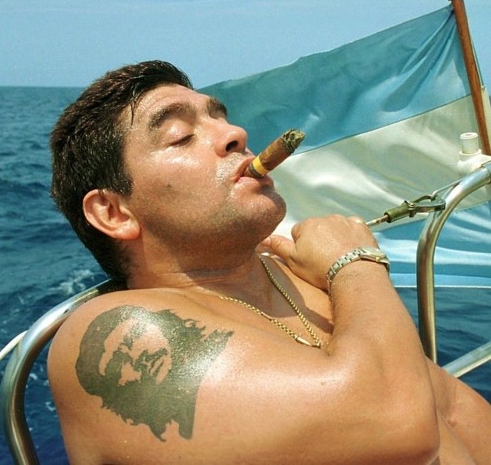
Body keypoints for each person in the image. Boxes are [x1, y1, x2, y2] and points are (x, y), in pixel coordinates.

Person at [48, 60, 490, 464]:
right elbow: (396, 425)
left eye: (220, 118)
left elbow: (450, 406)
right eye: (180, 136)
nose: (236, 133)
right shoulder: (119, 332)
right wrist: (355, 262)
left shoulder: (296, 278)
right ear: (114, 213)